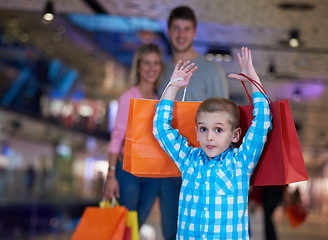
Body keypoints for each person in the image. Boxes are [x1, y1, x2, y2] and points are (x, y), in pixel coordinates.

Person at [153, 47, 272, 239]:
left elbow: (263, 121)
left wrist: (253, 79)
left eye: (218, 129)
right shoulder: (188, 160)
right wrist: (173, 86)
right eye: (203, 129)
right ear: (196, 133)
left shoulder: (241, 162)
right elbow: (161, 128)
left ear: (235, 135)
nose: (209, 137)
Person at [157, 6, 229, 239]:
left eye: (186, 29)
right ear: (168, 31)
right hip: (167, 163)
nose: (181, 34)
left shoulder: (211, 69)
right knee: (171, 230)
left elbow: (225, 118)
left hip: (203, 166)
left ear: (195, 32)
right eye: (176, 28)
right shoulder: (162, 69)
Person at [103, 43, 162, 227]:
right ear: (138, 66)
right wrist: (111, 175)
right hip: (129, 170)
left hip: (152, 173)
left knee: (138, 223)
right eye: (147, 63)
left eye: (156, 63)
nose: (152, 68)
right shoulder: (128, 97)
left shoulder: (160, 100)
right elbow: (117, 136)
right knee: (126, 224)